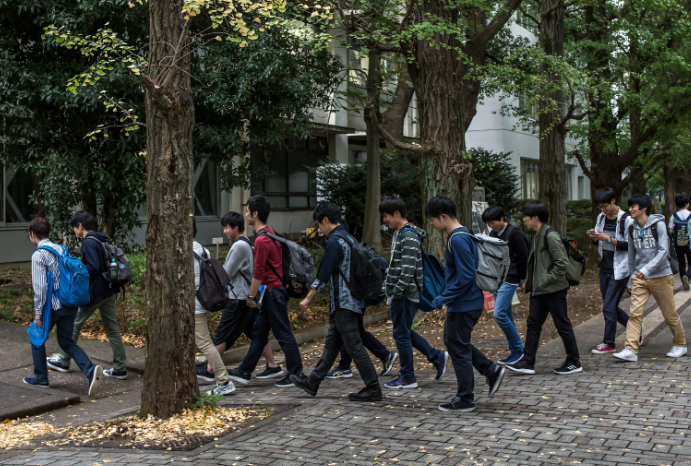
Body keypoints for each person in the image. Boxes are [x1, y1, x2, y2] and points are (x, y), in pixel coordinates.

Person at [290, 202, 382, 402]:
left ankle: (373, 388)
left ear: (325, 220)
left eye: (318, 224)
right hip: (353, 301)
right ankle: (313, 381)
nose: (319, 230)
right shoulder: (349, 237)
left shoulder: (335, 241)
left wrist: (308, 298)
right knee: (332, 345)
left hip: (343, 303)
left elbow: (324, 272)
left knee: (355, 346)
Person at [426, 196, 505, 413]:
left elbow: (466, 276)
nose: (431, 224)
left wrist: (442, 298)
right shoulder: (464, 234)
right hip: (467, 302)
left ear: (443, 216)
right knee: (454, 342)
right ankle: (490, 371)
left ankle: (466, 397)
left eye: (432, 219)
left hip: (465, 303)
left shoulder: (458, 239)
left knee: (457, 347)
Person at [197, 212, 283, 382]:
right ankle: (272, 365)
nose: (225, 231)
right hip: (247, 297)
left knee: (223, 333)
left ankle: (209, 369)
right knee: (255, 332)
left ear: (236, 228)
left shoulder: (239, 246)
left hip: (237, 298)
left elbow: (226, 274)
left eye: (227, 228)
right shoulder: (248, 243)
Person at [227, 195, 303, 387]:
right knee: (259, 332)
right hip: (274, 291)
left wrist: (251, 296)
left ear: (255, 213)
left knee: (283, 334)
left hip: (272, 292)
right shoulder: (271, 234)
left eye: (247, 211)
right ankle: (245, 370)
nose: (245, 214)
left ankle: (296, 373)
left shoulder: (262, 240)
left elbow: (259, 273)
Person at [24, 217, 103, 396]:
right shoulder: (61, 248)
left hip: (52, 307)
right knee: (66, 341)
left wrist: (38, 313)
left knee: (36, 338)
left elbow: (41, 287)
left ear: (32, 234)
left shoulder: (39, 255)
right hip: (70, 303)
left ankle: (41, 379)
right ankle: (90, 370)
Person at [46, 211, 127, 379]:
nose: (74, 231)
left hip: (96, 292)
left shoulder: (89, 242)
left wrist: (76, 269)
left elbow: (93, 267)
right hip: (109, 289)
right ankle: (120, 368)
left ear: (80, 226)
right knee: (112, 330)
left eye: (74, 228)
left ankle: (64, 360)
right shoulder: (101, 238)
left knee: (74, 323)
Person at [379, 196, 448, 389]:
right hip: (402, 293)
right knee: (403, 331)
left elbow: (408, 269)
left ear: (397, 214)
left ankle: (408, 376)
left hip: (406, 294)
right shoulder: (400, 234)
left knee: (401, 334)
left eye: (386, 216)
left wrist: (396, 290)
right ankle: (436, 357)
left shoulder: (408, 235)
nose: (385, 220)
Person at [506, 201, 582, 376]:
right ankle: (528, 361)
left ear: (535, 217)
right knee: (533, 324)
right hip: (539, 290)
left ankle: (574, 361)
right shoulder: (537, 235)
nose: (524, 219)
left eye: (526, 216)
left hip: (553, 290)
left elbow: (562, 263)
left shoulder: (550, 236)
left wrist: (545, 280)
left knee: (562, 324)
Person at [613, 194, 687, 361]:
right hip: (640, 277)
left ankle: (680, 344)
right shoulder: (631, 227)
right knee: (635, 314)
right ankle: (631, 349)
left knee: (669, 314)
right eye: (630, 206)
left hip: (661, 276)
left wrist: (646, 270)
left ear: (644, 208)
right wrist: (632, 277)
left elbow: (663, 251)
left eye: (633, 206)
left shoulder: (658, 225)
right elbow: (631, 254)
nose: (630, 209)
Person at [587, 188, 635, 354]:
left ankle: (609, 342)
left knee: (608, 307)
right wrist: (594, 238)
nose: (603, 209)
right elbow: (598, 240)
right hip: (605, 267)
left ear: (613, 201)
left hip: (620, 268)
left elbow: (630, 245)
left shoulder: (626, 220)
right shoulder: (601, 217)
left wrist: (609, 239)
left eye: (605, 206)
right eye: (600, 207)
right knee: (611, 306)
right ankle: (635, 329)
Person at [192, 217, 236, 396]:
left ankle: (224, 381)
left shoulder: (184, 252)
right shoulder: (202, 249)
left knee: (204, 343)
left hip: (193, 305)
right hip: (202, 300)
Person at [482, 205, 529, 365]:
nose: (491, 225)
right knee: (506, 315)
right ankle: (515, 351)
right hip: (497, 279)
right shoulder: (493, 234)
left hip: (511, 278)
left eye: (493, 222)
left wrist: (522, 278)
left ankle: (518, 349)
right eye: (488, 223)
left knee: (499, 314)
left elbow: (523, 256)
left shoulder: (515, 234)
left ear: (502, 218)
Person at [325, 298, 398, 379]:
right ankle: (384, 355)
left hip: (351, 303)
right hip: (354, 303)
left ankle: (344, 367)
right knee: (353, 332)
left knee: (349, 332)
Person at [668, 194, 691, 291]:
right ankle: (688, 277)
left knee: (681, 263)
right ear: (687, 204)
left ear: (676, 205)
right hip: (689, 243)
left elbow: (670, 230)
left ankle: (683, 279)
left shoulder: (673, 216)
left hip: (678, 244)